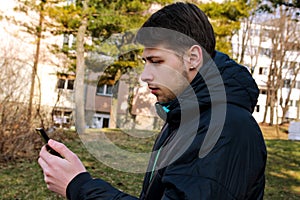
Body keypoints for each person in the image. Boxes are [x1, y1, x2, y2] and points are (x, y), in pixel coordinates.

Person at [38, 2, 267, 199]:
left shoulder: (225, 129)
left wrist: (79, 186)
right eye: (145, 62)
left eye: (156, 61)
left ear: (193, 58)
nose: (145, 75)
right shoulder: (184, 118)